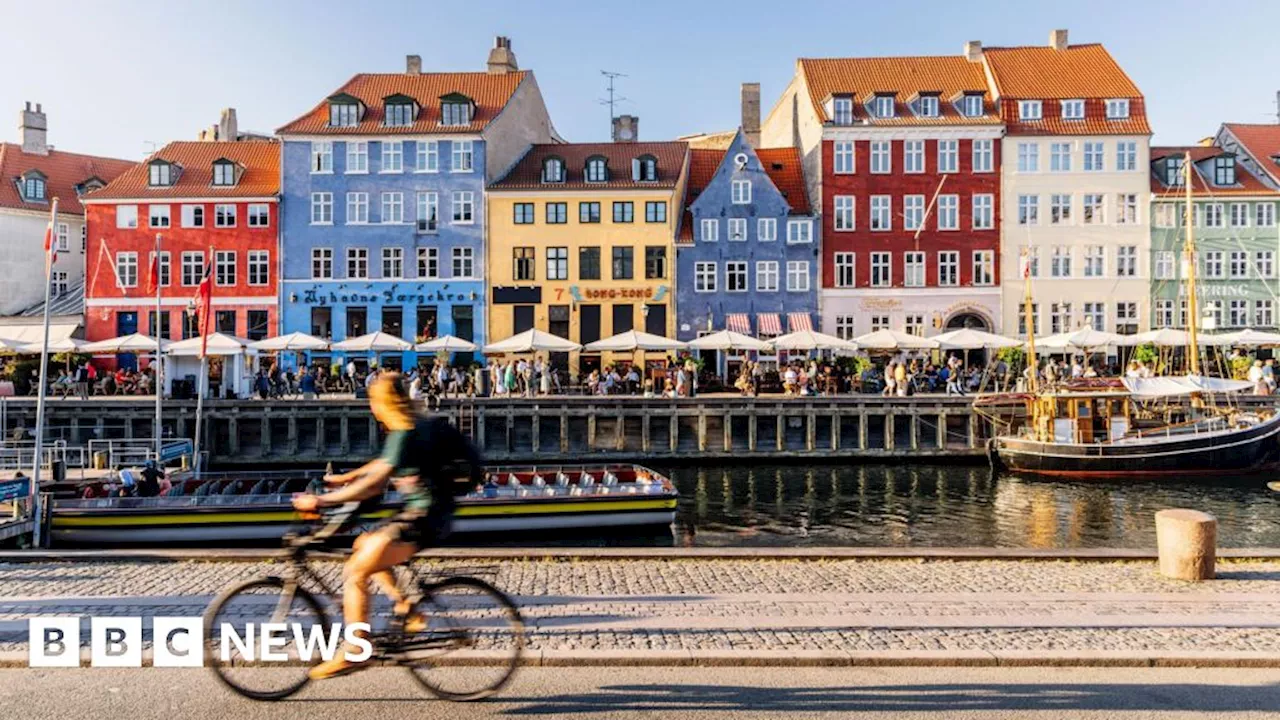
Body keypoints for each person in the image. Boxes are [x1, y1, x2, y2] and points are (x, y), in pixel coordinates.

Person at [292, 373, 482, 680]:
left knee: (355, 573)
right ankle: (406, 605)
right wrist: (344, 478)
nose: (371, 407)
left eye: (372, 401)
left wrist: (322, 501)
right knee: (363, 544)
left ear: (381, 403)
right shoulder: (408, 428)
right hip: (421, 513)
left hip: (425, 519)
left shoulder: (405, 432)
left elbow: (373, 484)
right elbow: (382, 464)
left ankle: (357, 651)